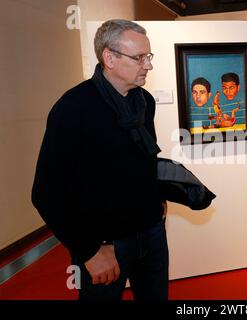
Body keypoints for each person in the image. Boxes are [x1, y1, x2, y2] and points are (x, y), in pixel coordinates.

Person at [32, 19, 169, 300]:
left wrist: (157, 198)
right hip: (104, 246)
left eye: (148, 56)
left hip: (152, 233)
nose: (149, 65)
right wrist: (89, 251)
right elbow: (46, 193)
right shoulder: (73, 108)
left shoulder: (145, 101)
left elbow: (143, 157)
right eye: (140, 57)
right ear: (109, 58)